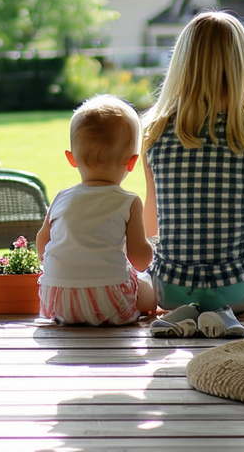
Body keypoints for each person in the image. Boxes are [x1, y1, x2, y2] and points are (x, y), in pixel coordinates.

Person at [141, 11, 244, 338]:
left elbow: (151, 223)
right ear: (242, 65)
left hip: (170, 291)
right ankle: (222, 311)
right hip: (237, 290)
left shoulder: (154, 132)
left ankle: (186, 311)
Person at [37, 94, 157, 326]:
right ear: (132, 163)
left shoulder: (61, 197)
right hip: (110, 302)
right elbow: (140, 260)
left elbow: (43, 244)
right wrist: (153, 248)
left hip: (58, 300)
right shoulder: (128, 201)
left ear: (71, 159)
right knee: (149, 291)